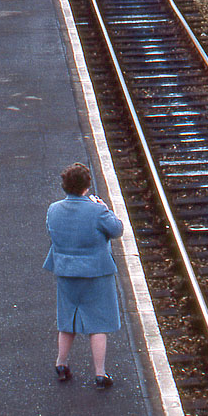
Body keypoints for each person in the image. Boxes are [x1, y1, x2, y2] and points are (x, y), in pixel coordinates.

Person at [43, 162, 124, 389]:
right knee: (98, 323)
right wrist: (105, 207)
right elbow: (117, 230)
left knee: (67, 319)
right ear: (86, 186)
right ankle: (100, 374)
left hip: (65, 271)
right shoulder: (97, 210)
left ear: (65, 186)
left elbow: (52, 232)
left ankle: (61, 364)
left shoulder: (53, 209)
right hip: (96, 273)